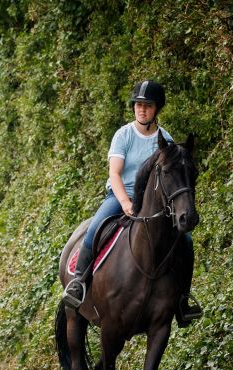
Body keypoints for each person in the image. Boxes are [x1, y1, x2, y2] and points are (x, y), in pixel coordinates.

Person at [61, 80, 202, 325]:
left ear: (157, 109)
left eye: (147, 106)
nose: (141, 109)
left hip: (155, 202)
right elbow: (114, 173)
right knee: (94, 229)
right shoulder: (123, 135)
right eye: (138, 105)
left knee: (185, 241)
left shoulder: (164, 138)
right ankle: (78, 284)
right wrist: (125, 202)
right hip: (119, 196)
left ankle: (182, 300)